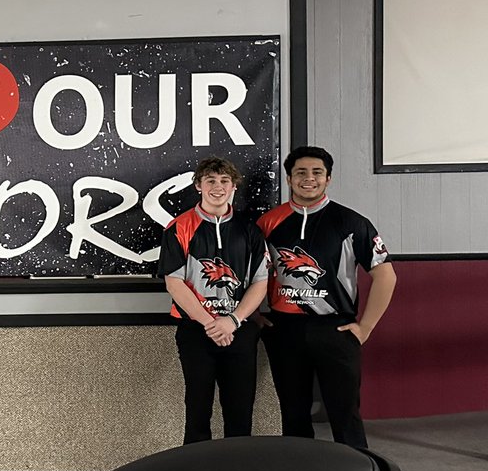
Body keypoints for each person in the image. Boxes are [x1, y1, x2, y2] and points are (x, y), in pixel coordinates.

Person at [257, 145, 397, 449]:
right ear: (289, 179)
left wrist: (366, 328)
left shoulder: (351, 222)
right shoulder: (268, 223)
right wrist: (254, 314)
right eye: (301, 173)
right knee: (293, 414)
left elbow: (386, 275)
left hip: (337, 329)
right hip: (285, 330)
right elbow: (249, 274)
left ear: (328, 178)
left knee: (344, 413)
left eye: (317, 172)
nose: (309, 179)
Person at [157, 157, 269, 445]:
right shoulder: (179, 227)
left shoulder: (250, 230)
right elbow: (174, 282)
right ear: (198, 186)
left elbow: (260, 282)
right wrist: (210, 323)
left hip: (239, 329)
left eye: (224, 181)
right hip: (196, 331)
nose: (217, 187)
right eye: (210, 181)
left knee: (240, 410)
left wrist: (232, 321)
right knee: (197, 408)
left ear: (233, 187)